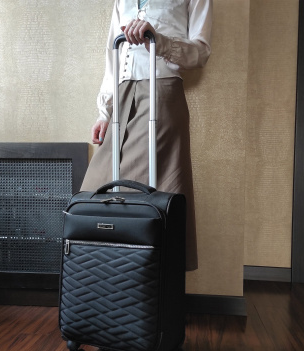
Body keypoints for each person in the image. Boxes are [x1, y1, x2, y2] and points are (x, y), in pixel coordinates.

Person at [81, 0, 212, 271]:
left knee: (150, 194)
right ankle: (101, 277)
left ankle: (148, 282)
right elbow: (112, 55)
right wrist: (104, 112)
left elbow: (200, 53)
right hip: (122, 97)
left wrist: (160, 42)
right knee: (95, 190)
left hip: (162, 94)